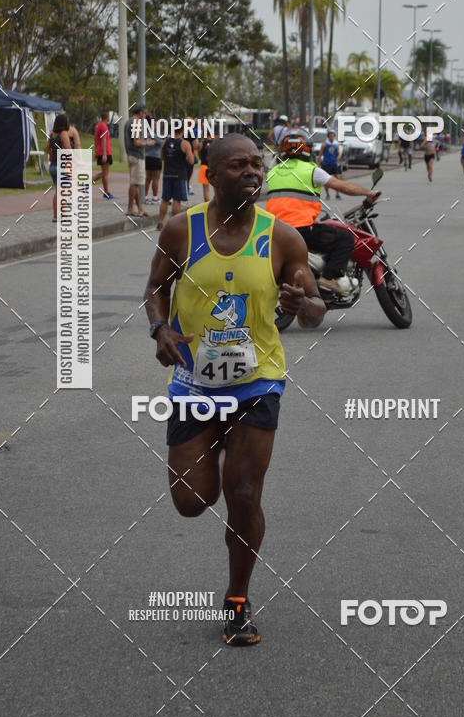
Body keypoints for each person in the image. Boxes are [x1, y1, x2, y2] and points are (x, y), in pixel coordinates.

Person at [143, 133, 325, 646]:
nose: (252, 172)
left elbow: (314, 309)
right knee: (191, 500)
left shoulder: (284, 238)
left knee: (243, 495)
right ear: (211, 175)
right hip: (195, 383)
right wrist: (161, 329)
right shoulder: (180, 230)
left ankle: (238, 600)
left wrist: (301, 306)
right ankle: (214, 451)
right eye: (239, 165)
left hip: (257, 383)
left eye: (257, 164)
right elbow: (156, 288)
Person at [266, 130, 380, 297]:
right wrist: (367, 193)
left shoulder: (273, 173)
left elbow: (287, 203)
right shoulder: (311, 170)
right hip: (301, 231)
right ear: (306, 149)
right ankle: (329, 277)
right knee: (346, 238)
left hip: (274, 232)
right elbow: (343, 187)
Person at [158, 121, 194, 230]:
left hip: (167, 174)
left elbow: (162, 157)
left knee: (165, 199)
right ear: (182, 131)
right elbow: (191, 160)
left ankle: (160, 222)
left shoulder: (164, 142)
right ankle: (174, 225)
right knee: (177, 200)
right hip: (179, 175)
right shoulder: (185, 144)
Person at [124, 105, 153, 217]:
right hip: (136, 156)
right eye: (145, 113)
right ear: (140, 112)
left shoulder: (129, 122)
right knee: (134, 183)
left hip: (131, 155)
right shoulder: (136, 123)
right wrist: (147, 143)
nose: (145, 115)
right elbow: (136, 142)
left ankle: (140, 207)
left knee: (135, 183)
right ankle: (130, 208)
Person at [45, 113, 71, 222]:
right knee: (63, 191)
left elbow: (46, 148)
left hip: (53, 167)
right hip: (62, 166)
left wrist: (51, 155)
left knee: (57, 191)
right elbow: (68, 150)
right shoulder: (64, 134)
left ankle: (56, 216)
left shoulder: (52, 134)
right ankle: (62, 215)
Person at [93, 110, 116, 199]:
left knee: (105, 173)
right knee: (105, 173)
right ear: (107, 117)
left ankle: (106, 192)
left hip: (100, 151)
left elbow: (96, 139)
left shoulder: (98, 125)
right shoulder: (103, 126)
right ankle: (87, 183)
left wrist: (96, 151)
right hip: (104, 152)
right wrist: (105, 154)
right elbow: (103, 139)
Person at [317, 129, 341, 200]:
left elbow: (338, 154)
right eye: (330, 136)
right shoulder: (324, 144)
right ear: (328, 136)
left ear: (334, 136)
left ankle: (337, 193)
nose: (331, 137)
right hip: (326, 164)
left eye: (333, 136)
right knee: (326, 180)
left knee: (338, 178)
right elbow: (320, 155)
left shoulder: (336, 144)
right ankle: (327, 194)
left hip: (334, 163)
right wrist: (318, 163)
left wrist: (338, 158)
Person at [144, 117, 163, 205]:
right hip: (155, 157)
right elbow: (161, 143)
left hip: (147, 157)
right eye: (155, 124)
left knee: (148, 178)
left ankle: (144, 196)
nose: (156, 126)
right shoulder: (153, 134)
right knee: (155, 178)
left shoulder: (146, 134)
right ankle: (155, 198)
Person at [198, 136, 213, 203]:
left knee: (206, 189)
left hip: (204, 166)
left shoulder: (201, 143)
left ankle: (207, 205)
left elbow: (199, 155)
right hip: (213, 166)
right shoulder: (215, 143)